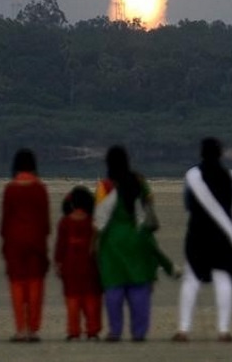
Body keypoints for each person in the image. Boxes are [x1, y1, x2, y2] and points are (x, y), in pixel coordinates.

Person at [173, 138, 232, 343]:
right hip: (223, 237)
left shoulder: (192, 176)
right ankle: (224, 331)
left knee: (191, 279)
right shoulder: (231, 177)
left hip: (198, 233)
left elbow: (187, 204)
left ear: (201, 153)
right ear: (220, 153)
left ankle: (183, 330)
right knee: (223, 278)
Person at [94, 145, 162, 342]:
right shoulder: (139, 181)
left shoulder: (105, 186)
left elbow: (100, 217)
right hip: (138, 237)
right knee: (139, 285)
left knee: (114, 286)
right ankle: (139, 332)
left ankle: (115, 331)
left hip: (113, 241)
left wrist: (94, 242)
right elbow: (149, 201)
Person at [0, 148, 50, 342]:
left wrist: (4, 241)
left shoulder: (11, 188)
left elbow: (6, 219)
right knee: (35, 284)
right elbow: (44, 220)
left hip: (14, 241)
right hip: (36, 240)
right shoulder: (39, 188)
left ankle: (21, 328)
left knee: (17, 285)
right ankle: (33, 328)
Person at [54, 185, 102, 341]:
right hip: (89, 266)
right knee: (91, 300)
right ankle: (92, 330)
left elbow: (60, 246)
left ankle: (74, 331)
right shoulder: (92, 223)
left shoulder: (65, 223)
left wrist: (58, 263)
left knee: (72, 300)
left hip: (70, 266)